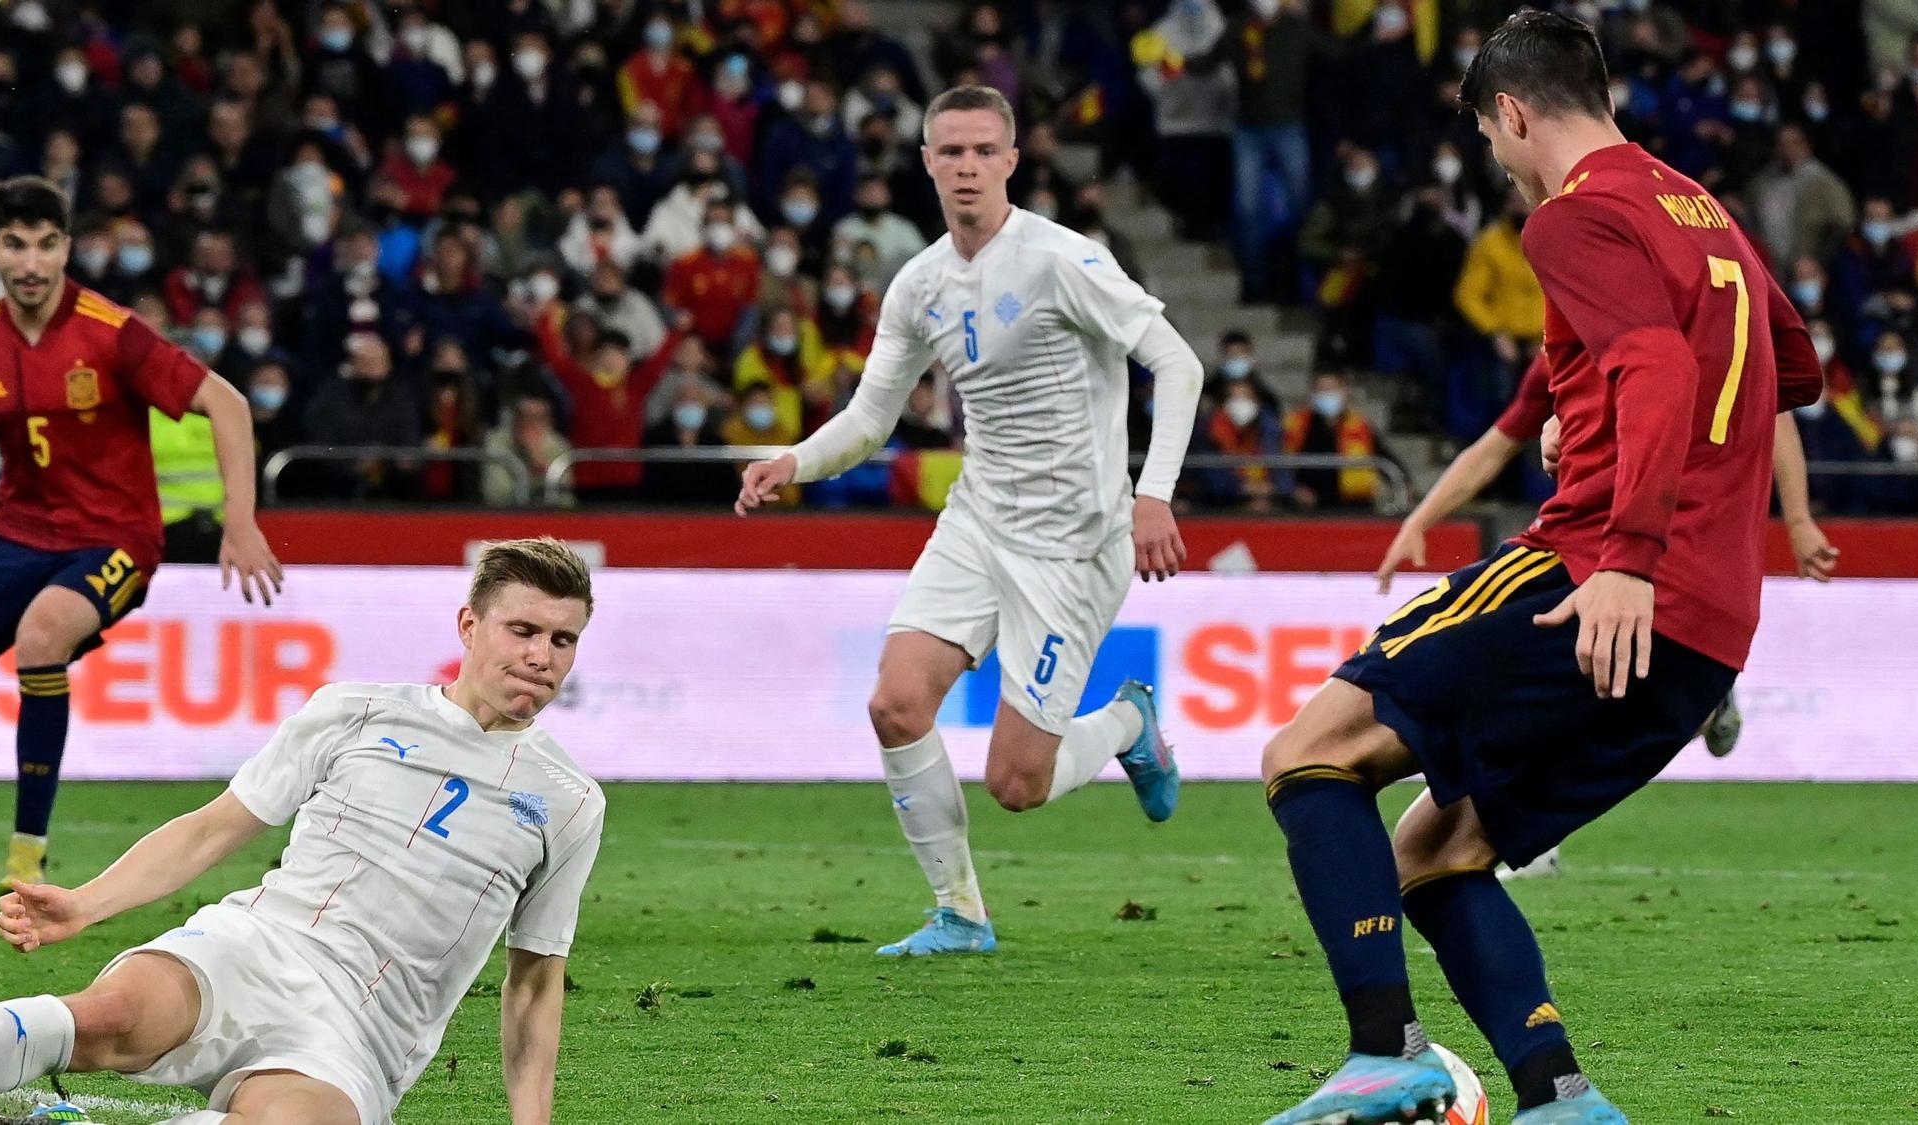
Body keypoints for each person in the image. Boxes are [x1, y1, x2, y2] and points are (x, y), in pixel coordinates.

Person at [1260, 14, 1823, 1124]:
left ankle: (1388, 1054)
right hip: (1708, 633)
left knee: (1307, 754)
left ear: (1511, 113)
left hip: (1589, 579)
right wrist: (1601, 405)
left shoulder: (1575, 214)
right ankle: (1558, 1097)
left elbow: (1657, 363)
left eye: (1488, 140)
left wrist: (1624, 555)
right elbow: (1789, 368)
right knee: (1435, 851)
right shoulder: (1699, 208)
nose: (1498, 164)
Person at [735, 86, 1205, 957]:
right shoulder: (919, 283)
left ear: (1012, 161)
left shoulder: (1063, 259)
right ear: (925, 161)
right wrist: (794, 460)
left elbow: (1177, 365)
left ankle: (1131, 724)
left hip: (1073, 547)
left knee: (1017, 784)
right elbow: (872, 418)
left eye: (984, 150)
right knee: (895, 702)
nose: (966, 166)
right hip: (978, 524)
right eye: (949, 151)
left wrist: (1154, 491)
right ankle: (960, 911)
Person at [0, 538, 603, 1125]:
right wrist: (85, 905)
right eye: (522, 630)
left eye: (562, 640)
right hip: (255, 946)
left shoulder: (570, 802)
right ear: (469, 625)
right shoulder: (354, 711)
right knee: (106, 1019)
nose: (540, 657)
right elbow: (213, 828)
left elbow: (534, 980)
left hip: (361, 1032)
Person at [1374, 354, 1840, 881]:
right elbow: (1493, 447)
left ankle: (1522, 823)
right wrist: (1420, 519)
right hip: (1586, 552)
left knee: (1577, 687)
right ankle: (1525, 825)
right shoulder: (1557, 356)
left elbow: (1772, 405)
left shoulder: (1676, 332)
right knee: (1562, 689)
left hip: (1661, 557)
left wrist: (1798, 518)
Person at [0, 176, 284, 894]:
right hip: (20, 530)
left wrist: (241, 520)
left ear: (67, 248)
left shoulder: (111, 332)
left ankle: (24, 857)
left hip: (117, 538)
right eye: (15, 244)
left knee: (44, 631)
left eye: (47, 244)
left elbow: (226, 404)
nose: (31, 262)